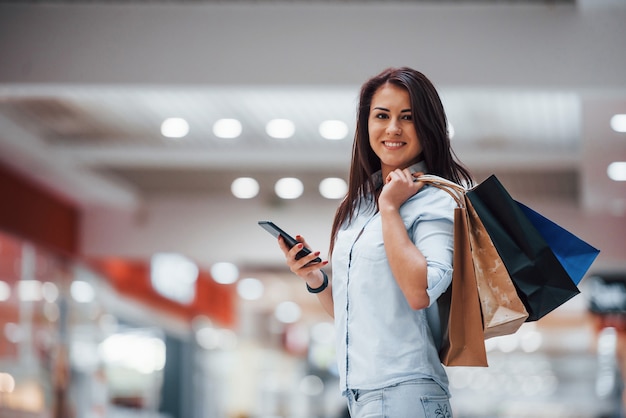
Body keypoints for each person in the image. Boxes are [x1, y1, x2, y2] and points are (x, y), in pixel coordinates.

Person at [277, 67, 472, 418]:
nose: (393, 128)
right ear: (366, 124)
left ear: (428, 126)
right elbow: (356, 313)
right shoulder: (359, 204)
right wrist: (316, 280)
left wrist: (390, 207)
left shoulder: (436, 200)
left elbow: (419, 291)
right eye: (381, 115)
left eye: (407, 117)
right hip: (363, 395)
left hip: (407, 392)